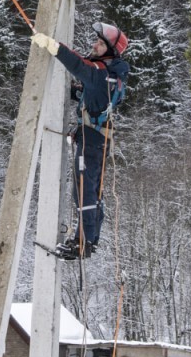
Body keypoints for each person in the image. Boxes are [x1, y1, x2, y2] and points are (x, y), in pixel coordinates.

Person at [31, 22, 130, 259]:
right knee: (91, 191)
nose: (94, 45)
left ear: (109, 50)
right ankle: (89, 240)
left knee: (85, 191)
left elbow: (78, 64)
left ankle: (83, 241)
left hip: (92, 141)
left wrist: (54, 46)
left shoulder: (101, 74)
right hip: (95, 139)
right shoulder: (108, 76)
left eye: (100, 42)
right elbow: (88, 92)